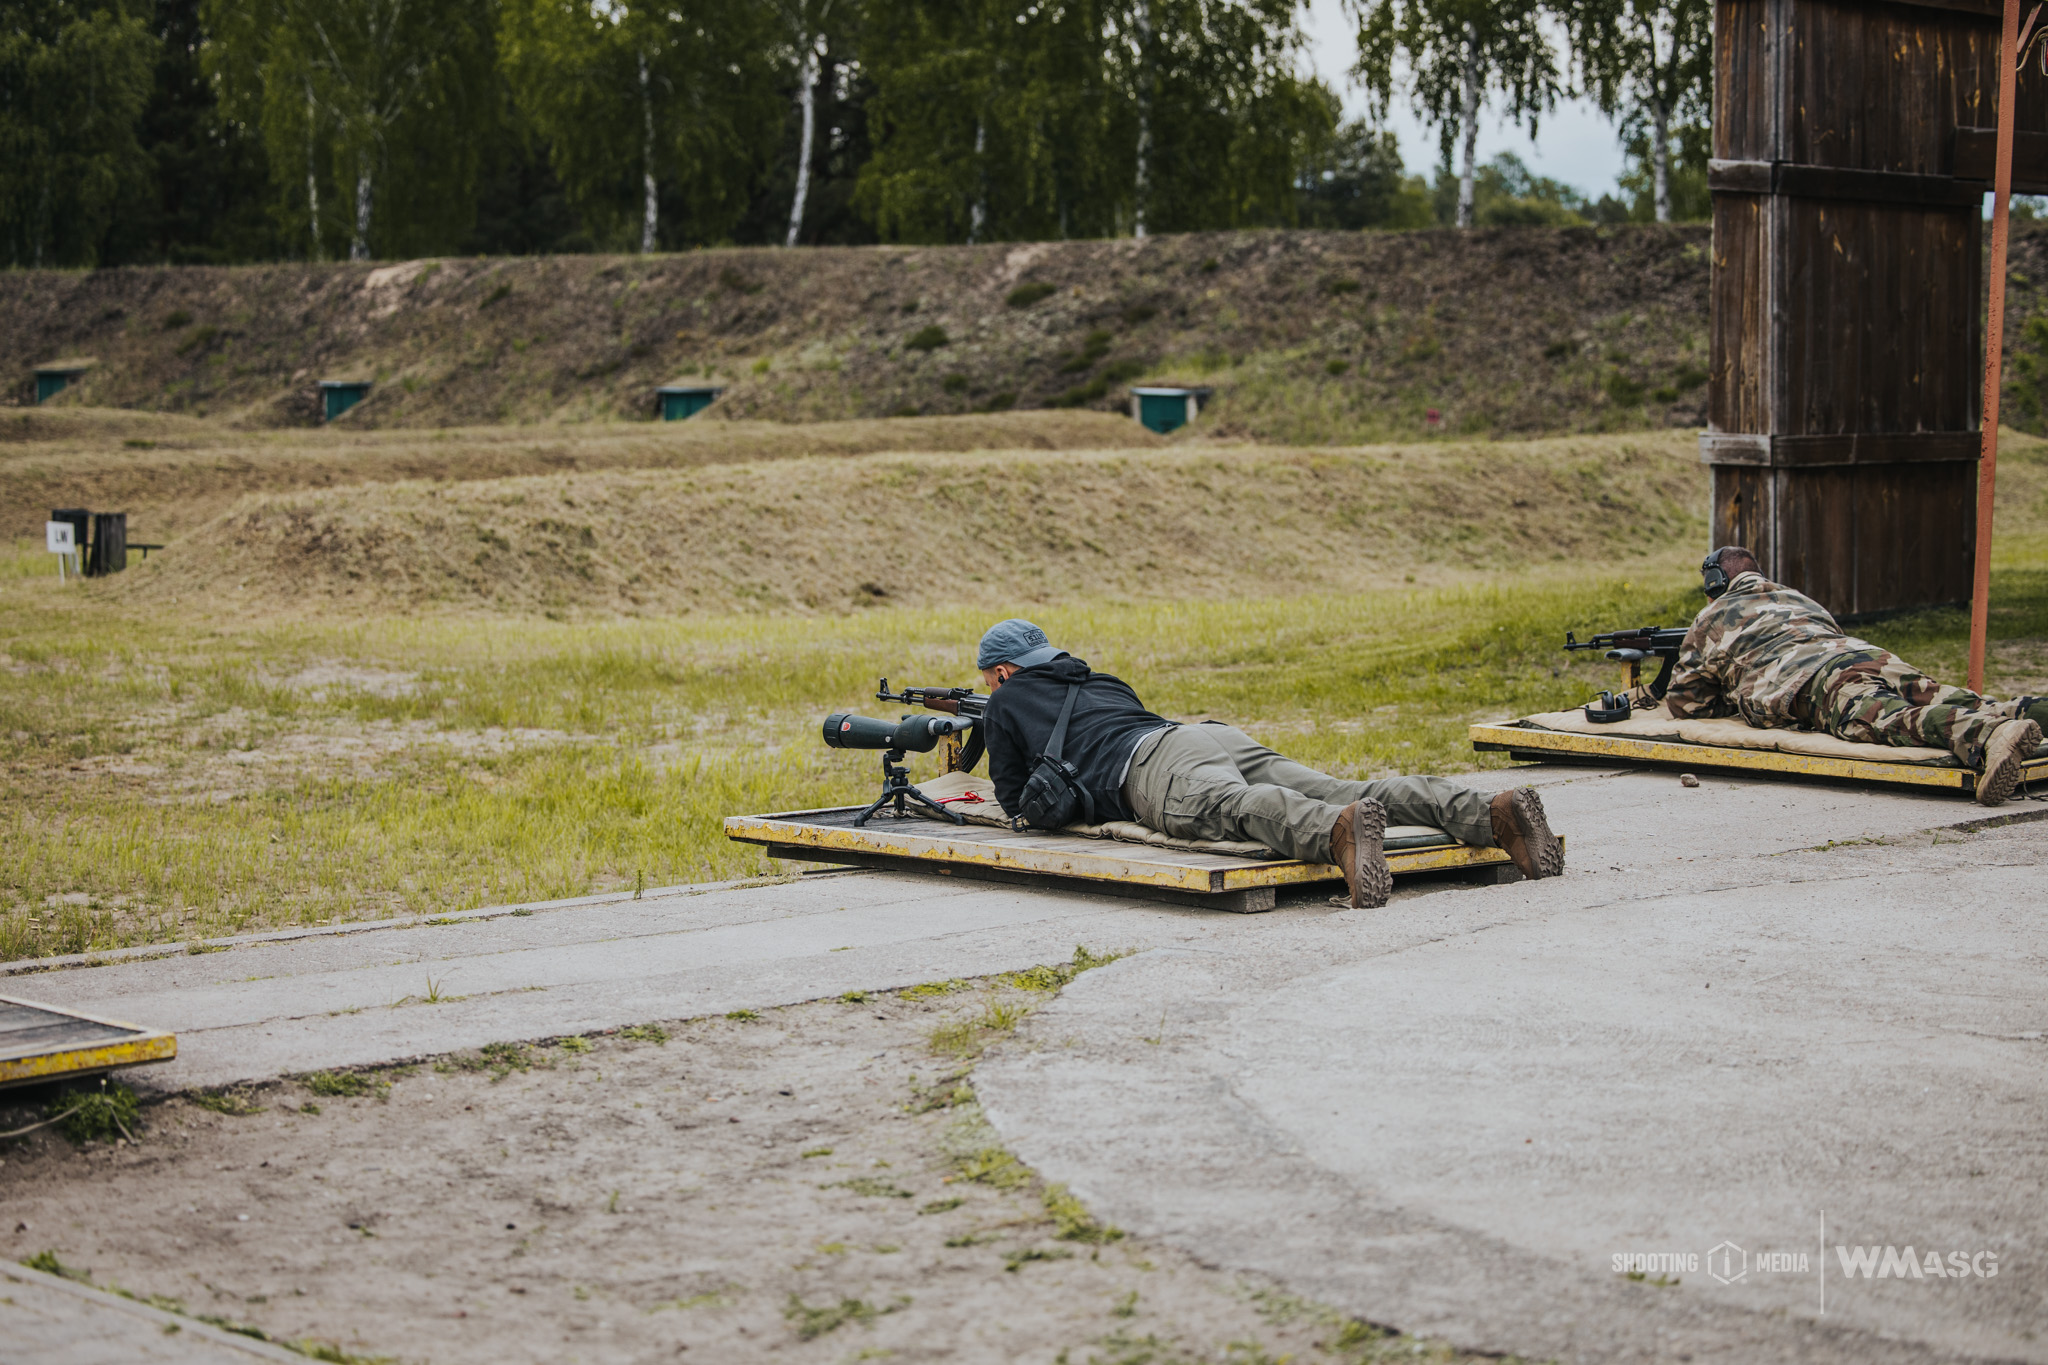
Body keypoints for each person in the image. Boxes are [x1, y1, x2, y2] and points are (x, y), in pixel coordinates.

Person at [972, 619, 1563, 908]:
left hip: (1151, 767)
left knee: (1227, 807)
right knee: (1341, 784)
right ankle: (1490, 812)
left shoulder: (1004, 700)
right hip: (1203, 736)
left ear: (1001, 673)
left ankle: (1335, 834)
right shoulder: (1098, 678)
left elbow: (1013, 796)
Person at [1666, 547, 2045, 806]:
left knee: (1888, 719)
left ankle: (1989, 734)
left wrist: (1731, 693)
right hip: (1867, 655)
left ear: (1715, 583)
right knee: (1953, 696)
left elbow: (1686, 703)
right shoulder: (1798, 597)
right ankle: (2026, 712)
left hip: (1813, 680)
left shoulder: (1710, 618)